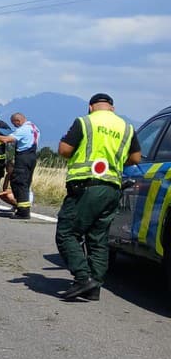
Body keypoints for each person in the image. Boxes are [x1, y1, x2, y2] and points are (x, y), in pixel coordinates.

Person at [54, 93, 142, 301]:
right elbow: (136, 157)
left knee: (67, 233)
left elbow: (64, 150)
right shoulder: (126, 127)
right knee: (98, 238)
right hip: (112, 188)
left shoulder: (85, 122)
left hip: (86, 186)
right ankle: (94, 286)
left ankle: (82, 277)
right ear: (112, 108)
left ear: (91, 107)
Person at [0, 112, 39, 218]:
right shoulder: (34, 128)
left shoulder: (23, 129)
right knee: (25, 183)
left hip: (23, 157)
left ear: (18, 121)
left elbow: (6, 140)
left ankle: (23, 212)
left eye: (14, 124)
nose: (14, 126)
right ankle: (23, 208)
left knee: (19, 183)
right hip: (32, 157)